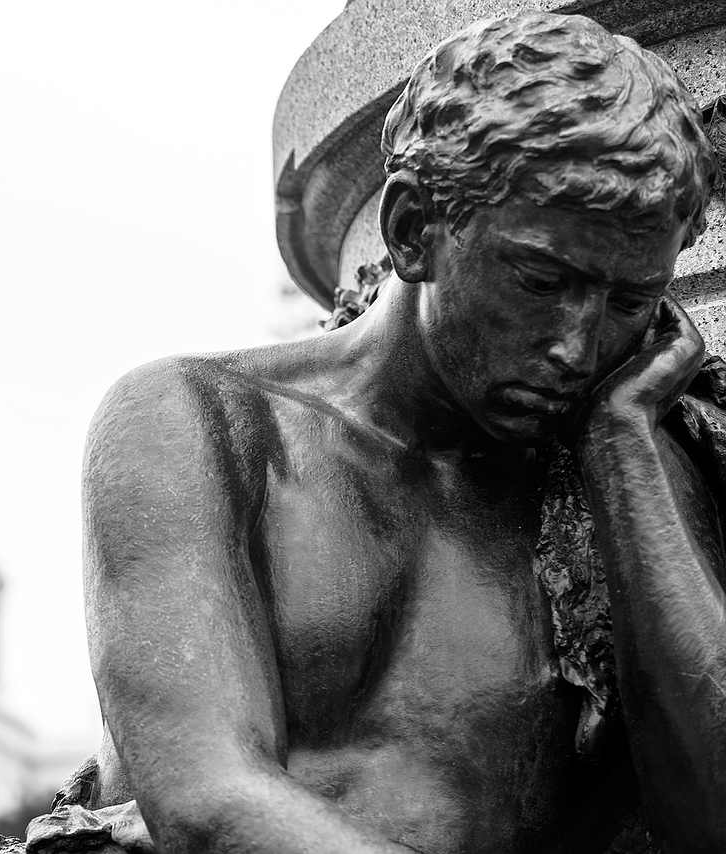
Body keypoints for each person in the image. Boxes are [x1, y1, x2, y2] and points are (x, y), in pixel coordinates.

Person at [47, 12, 725, 854]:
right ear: (411, 229)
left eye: (629, 303)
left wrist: (623, 449)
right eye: (541, 279)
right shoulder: (204, 419)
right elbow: (210, 799)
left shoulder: (629, 474)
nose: (577, 350)